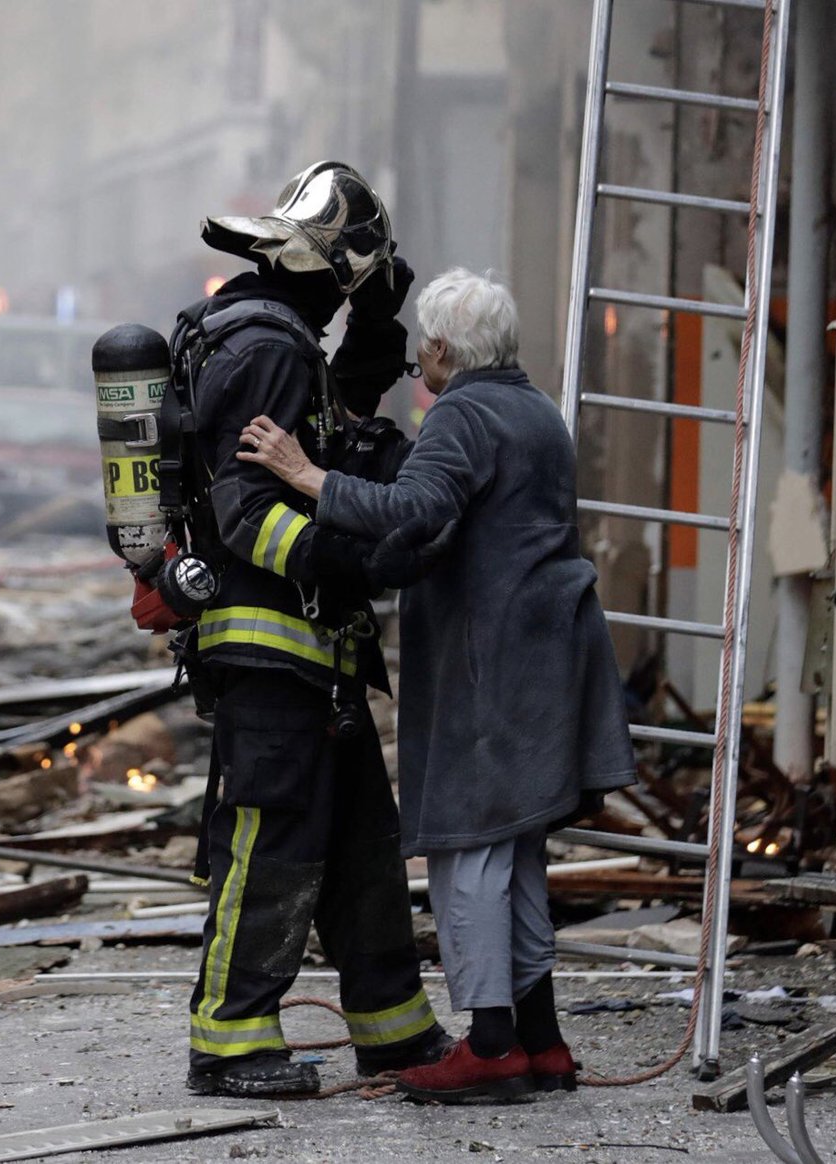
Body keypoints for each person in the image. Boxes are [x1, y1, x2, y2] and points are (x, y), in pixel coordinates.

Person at [238, 267, 638, 1103]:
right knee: (517, 849)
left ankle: (490, 1048)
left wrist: (304, 474)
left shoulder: (465, 412)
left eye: (424, 341)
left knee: (470, 853)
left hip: (491, 667)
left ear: (445, 349)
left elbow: (414, 510)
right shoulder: (535, 411)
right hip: (548, 657)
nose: (417, 353)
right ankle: (542, 1042)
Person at [160, 162, 449, 1100]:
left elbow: (344, 420)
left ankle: (395, 1031)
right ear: (332, 268)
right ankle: (231, 1040)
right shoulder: (271, 348)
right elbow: (247, 511)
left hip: (316, 653)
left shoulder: (267, 335)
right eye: (357, 284)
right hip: (271, 643)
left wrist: (381, 322)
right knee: (271, 839)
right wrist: (346, 557)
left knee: (364, 840)